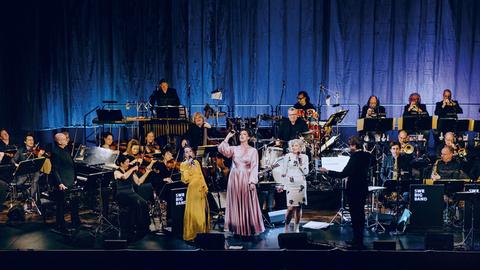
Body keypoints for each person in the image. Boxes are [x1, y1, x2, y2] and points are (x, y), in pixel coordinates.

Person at [319, 136, 373, 249]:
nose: (349, 147)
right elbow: (373, 163)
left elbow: (344, 174)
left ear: (354, 145)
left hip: (354, 188)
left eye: (350, 145)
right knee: (360, 214)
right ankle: (358, 239)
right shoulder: (367, 155)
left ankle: (357, 242)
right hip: (363, 187)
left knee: (355, 215)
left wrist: (327, 171)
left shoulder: (355, 157)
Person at [218, 129, 265, 236]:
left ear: (248, 137)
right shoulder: (234, 149)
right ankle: (237, 228)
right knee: (236, 202)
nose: (242, 136)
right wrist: (228, 137)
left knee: (247, 201)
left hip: (246, 177)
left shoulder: (253, 151)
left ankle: (248, 227)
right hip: (235, 178)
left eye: (245, 134)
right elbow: (221, 149)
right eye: (241, 134)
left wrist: (252, 181)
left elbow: (254, 167)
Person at [114, 154, 154, 240]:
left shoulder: (130, 171)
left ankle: (144, 226)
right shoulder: (116, 172)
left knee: (143, 203)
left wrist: (147, 173)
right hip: (121, 193)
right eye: (127, 162)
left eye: (129, 162)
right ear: (121, 163)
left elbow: (139, 182)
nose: (129, 164)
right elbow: (124, 177)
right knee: (137, 203)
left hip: (130, 192)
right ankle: (136, 226)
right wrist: (132, 169)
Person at [277, 139, 309, 232]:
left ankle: (296, 227)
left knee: (298, 208)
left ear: (300, 147)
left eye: (297, 146)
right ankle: (286, 226)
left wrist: (300, 162)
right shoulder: (287, 156)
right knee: (290, 208)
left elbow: (306, 172)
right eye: (293, 145)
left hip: (301, 184)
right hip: (290, 184)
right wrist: (282, 185)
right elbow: (283, 172)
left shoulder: (305, 157)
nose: (295, 147)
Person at [51, 133, 80, 231]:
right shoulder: (55, 152)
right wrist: (60, 183)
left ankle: (75, 222)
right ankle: (60, 225)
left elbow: (70, 165)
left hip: (70, 180)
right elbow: (54, 169)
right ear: (59, 141)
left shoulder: (65, 149)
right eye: (64, 139)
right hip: (63, 182)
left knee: (74, 201)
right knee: (61, 205)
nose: (67, 140)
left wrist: (75, 178)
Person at [179, 146, 210, 241]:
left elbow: (201, 175)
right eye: (186, 152)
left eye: (190, 151)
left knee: (201, 213)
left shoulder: (196, 162)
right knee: (194, 213)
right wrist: (188, 166)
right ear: (184, 154)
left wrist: (205, 186)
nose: (188, 153)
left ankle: (202, 233)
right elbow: (185, 180)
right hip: (192, 189)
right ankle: (193, 234)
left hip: (200, 188)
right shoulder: (183, 164)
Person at [13, 134, 46, 205]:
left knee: (35, 180)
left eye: (32, 140)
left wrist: (40, 155)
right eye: (29, 140)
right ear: (25, 142)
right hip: (23, 172)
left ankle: (32, 199)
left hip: (34, 171)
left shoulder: (36, 150)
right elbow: (13, 160)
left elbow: (41, 162)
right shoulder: (20, 150)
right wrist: (17, 165)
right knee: (18, 184)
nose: (32, 141)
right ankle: (27, 196)